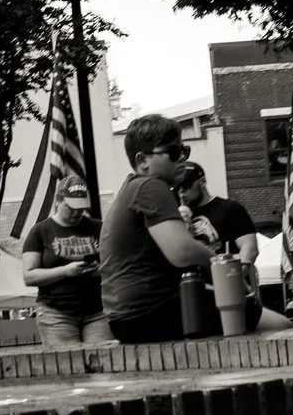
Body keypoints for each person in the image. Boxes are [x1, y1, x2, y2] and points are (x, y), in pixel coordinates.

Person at [99, 115, 218, 343]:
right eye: (173, 152)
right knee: (277, 325)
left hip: (127, 319)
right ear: (143, 160)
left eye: (185, 149)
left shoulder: (130, 188)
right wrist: (220, 266)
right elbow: (182, 252)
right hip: (153, 313)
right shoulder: (151, 186)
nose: (182, 156)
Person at [169, 161, 293, 333]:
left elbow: (249, 249)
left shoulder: (229, 209)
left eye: (186, 186)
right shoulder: (176, 216)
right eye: (177, 188)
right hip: (194, 294)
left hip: (231, 293)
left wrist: (230, 282)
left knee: (281, 328)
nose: (182, 192)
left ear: (202, 181)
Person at [20, 175, 108, 345]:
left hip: (98, 311)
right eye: (71, 207)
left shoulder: (99, 227)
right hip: (56, 314)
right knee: (68, 367)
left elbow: (117, 263)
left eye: (81, 207)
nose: (77, 212)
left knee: (103, 363)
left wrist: (100, 269)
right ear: (58, 201)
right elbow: (28, 276)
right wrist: (66, 271)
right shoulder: (40, 231)